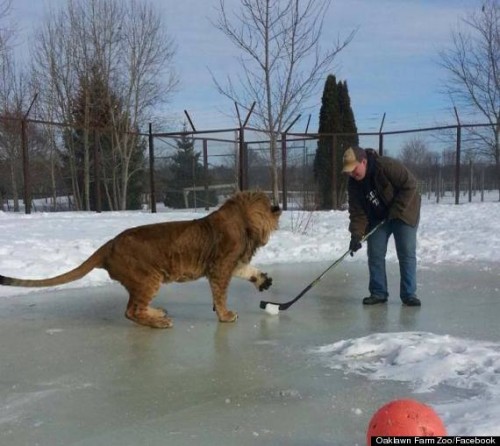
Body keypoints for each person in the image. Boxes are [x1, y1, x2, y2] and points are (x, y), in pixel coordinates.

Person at [342, 146, 421, 306]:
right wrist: (356, 235)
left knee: (406, 252)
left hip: (404, 213)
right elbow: (357, 213)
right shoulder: (354, 184)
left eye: (354, 169)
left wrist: (396, 210)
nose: (352, 174)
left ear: (363, 162)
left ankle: (409, 294)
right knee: (375, 253)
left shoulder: (386, 166)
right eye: (348, 171)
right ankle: (378, 293)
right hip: (378, 218)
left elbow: (411, 184)